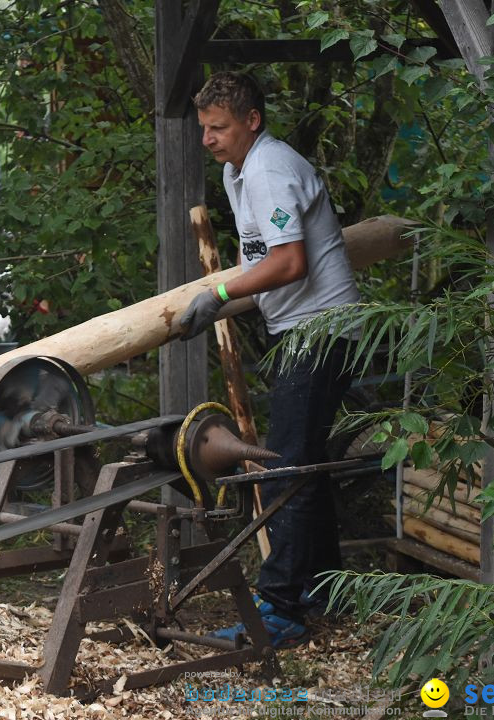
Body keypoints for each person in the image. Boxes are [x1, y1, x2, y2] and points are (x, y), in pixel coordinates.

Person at [181, 71, 360, 648]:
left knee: (285, 468)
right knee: (304, 464)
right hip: (303, 329)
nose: (207, 139)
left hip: (321, 330)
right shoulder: (241, 173)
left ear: (251, 121)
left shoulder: (269, 168)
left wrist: (221, 296)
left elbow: (289, 264)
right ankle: (323, 589)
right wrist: (215, 306)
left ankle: (280, 611)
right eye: (204, 128)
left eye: (219, 127)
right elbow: (264, 268)